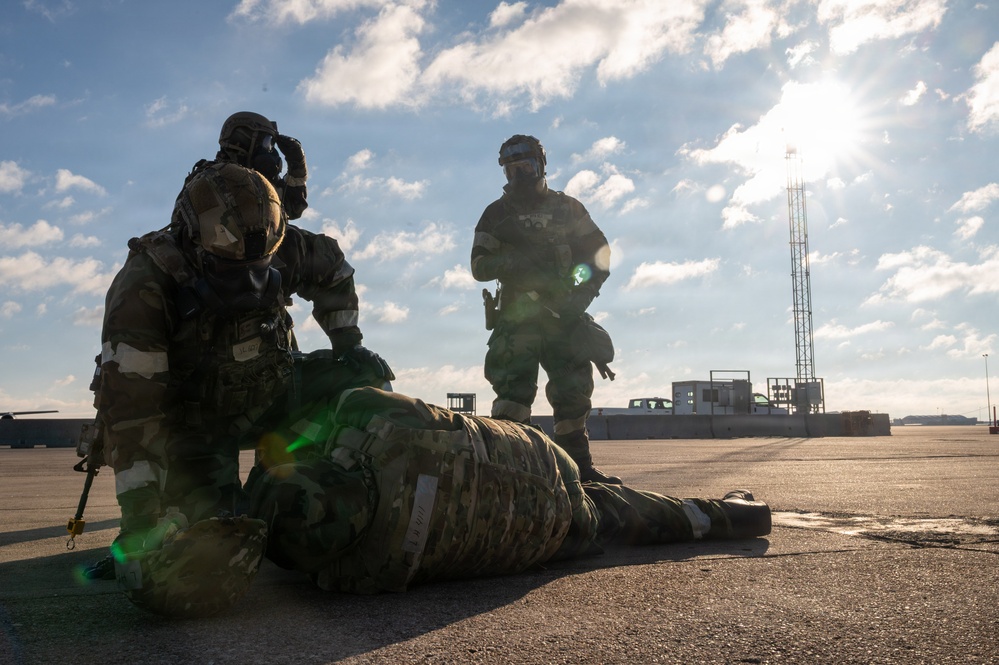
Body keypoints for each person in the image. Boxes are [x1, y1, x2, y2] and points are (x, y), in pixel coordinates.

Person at [84, 163, 394, 583]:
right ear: (194, 242)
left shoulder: (274, 241)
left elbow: (333, 270)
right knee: (210, 550)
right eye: (233, 270)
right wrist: (139, 518)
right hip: (195, 429)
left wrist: (348, 342)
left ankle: (285, 479)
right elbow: (135, 416)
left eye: (260, 268)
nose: (249, 282)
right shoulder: (145, 286)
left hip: (273, 392)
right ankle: (218, 507)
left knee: (362, 382)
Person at [246, 386, 772, 595]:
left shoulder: (357, 577)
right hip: (541, 460)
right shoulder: (368, 413)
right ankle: (730, 514)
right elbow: (324, 422)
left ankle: (714, 517)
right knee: (611, 498)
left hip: (549, 533)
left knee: (619, 514)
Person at [471, 134, 616, 484]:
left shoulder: (568, 209)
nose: (518, 176)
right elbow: (479, 266)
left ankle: (580, 471)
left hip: (563, 318)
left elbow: (599, 255)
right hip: (517, 322)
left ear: (541, 165)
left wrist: (580, 294)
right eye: (511, 170)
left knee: (573, 396)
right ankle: (513, 474)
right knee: (512, 400)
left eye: (525, 167)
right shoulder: (496, 214)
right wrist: (514, 263)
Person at [186, 110, 309, 220]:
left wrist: (298, 165)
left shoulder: (260, 183)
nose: (269, 151)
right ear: (242, 142)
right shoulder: (211, 177)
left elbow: (293, 208)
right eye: (267, 143)